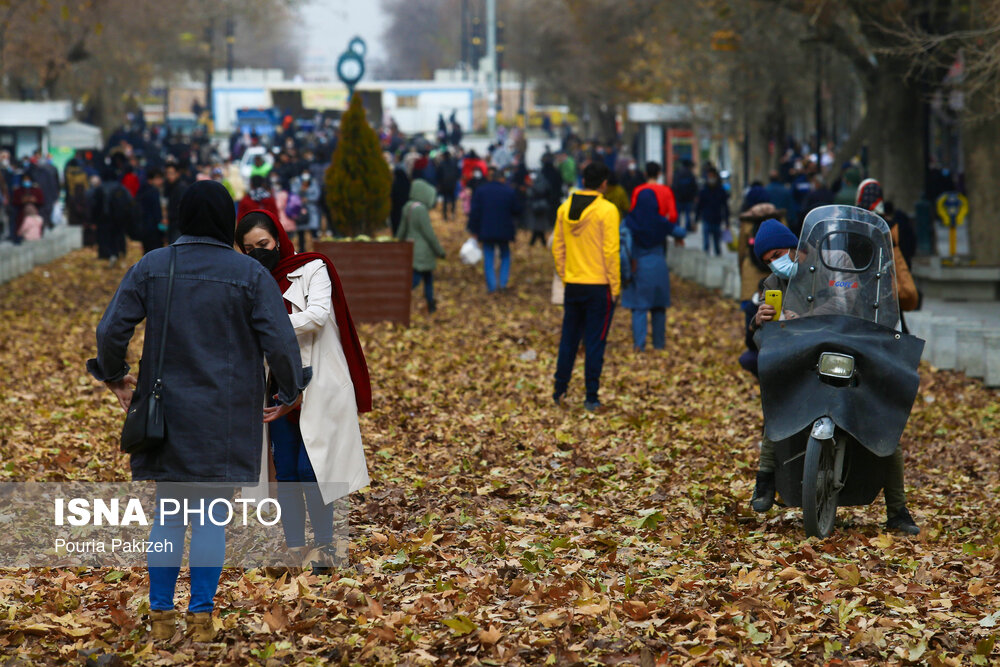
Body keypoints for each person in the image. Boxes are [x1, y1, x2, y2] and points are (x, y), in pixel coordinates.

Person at [88, 180, 309, 642]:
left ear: (181, 216)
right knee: (211, 516)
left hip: (166, 413)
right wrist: (289, 391)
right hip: (226, 415)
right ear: (227, 220)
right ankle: (203, 617)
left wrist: (115, 376)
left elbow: (111, 330)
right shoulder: (249, 274)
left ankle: (161, 615)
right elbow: (281, 343)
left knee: (168, 514)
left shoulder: (153, 266)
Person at [746, 219, 919, 535]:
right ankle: (765, 477)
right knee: (778, 401)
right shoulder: (771, 284)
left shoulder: (836, 260)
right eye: (768, 259)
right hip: (805, 357)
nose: (776, 262)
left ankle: (898, 510)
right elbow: (762, 342)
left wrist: (802, 318)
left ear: (797, 246)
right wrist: (759, 323)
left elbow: (845, 301)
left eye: (779, 253)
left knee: (884, 420)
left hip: (853, 346)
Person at [236, 209, 372, 566]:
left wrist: (266, 323)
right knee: (286, 469)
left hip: (319, 382)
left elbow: (317, 315)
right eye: (249, 249)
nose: (258, 253)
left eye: (263, 244)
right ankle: (295, 545)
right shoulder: (251, 281)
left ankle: (325, 544)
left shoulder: (313, 268)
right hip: (276, 383)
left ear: (278, 238)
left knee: (314, 468)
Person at [552, 162, 620, 411]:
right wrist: (615, 286)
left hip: (574, 283)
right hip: (599, 286)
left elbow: (557, 248)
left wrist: (566, 274)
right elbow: (611, 250)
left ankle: (559, 390)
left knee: (569, 338)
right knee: (595, 341)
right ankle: (591, 396)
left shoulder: (564, 208)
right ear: (603, 183)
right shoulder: (607, 210)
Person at [620, 190, 686, 351]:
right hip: (659, 267)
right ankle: (659, 344)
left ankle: (639, 345)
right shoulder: (660, 221)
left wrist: (625, 272)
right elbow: (680, 231)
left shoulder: (630, 221)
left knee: (639, 308)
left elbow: (624, 244)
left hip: (639, 267)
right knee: (658, 307)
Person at [468, 167, 522, 293]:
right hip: (505, 230)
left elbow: (475, 212)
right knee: (505, 255)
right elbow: (517, 210)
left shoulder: (481, 191)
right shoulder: (509, 191)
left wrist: (473, 229)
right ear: (502, 178)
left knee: (488, 256)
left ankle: (491, 286)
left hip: (486, 230)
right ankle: (503, 283)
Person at [396, 179, 446, 313]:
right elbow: (429, 233)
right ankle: (427, 304)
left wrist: (397, 244)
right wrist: (439, 251)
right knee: (417, 280)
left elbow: (402, 230)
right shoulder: (421, 209)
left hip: (411, 247)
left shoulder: (408, 207)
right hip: (423, 251)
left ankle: (431, 304)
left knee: (427, 277)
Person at [695, 167, 730, 256]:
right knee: (706, 244)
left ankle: (717, 258)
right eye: (709, 176)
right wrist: (696, 220)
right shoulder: (703, 190)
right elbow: (699, 206)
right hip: (706, 218)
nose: (711, 178)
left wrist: (727, 221)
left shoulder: (721, 190)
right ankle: (706, 259)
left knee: (717, 244)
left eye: (712, 176)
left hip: (717, 219)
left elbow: (725, 206)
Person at [136, 167, 165, 255]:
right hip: (153, 229)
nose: (161, 181)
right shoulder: (153, 192)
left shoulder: (141, 190)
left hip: (143, 227)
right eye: (158, 178)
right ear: (151, 179)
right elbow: (157, 212)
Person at [163, 162, 188, 243]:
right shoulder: (170, 187)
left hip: (178, 226)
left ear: (177, 174)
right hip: (173, 224)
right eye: (167, 173)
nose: (169, 176)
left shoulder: (181, 188)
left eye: (171, 173)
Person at [671, 159, 698, 232]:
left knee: (678, 215)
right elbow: (694, 186)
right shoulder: (690, 174)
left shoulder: (677, 172)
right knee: (688, 214)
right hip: (688, 199)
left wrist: (675, 195)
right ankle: (687, 228)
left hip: (679, 198)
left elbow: (674, 186)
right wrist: (694, 196)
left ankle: (677, 228)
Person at [437, 151, 460, 222]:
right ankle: (453, 213)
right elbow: (458, 173)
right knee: (453, 199)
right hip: (452, 184)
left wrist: (439, 184)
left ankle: (445, 216)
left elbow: (438, 175)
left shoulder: (441, 164)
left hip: (444, 185)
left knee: (445, 200)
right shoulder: (454, 163)